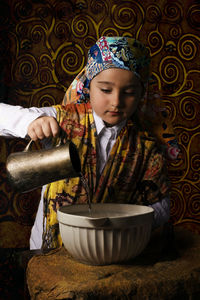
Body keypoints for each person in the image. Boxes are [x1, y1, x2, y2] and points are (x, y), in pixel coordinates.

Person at [0, 36, 179, 250]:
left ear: (142, 93)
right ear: (88, 84)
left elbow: (161, 205)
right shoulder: (63, 121)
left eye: (129, 92)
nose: (116, 102)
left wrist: (127, 223)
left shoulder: (146, 147)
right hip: (48, 252)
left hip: (111, 251)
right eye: (105, 90)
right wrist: (31, 121)